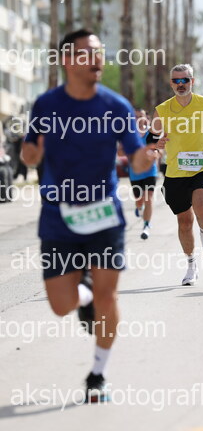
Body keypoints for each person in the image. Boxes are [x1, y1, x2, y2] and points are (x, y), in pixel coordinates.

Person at [21, 30, 158, 402]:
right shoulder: (47, 104)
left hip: (103, 215)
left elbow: (135, 153)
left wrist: (144, 158)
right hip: (58, 216)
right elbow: (29, 153)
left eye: (100, 52)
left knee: (107, 296)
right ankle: (83, 295)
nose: (97, 59)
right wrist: (32, 155)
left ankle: (98, 374)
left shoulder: (115, 105)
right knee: (61, 305)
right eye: (87, 53)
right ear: (67, 60)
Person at [148, 64, 203, 286]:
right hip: (175, 172)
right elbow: (150, 137)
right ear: (171, 83)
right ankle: (191, 265)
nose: (181, 84)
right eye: (176, 81)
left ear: (192, 81)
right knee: (184, 222)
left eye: (185, 80)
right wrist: (157, 143)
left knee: (202, 205)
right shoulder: (163, 109)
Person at [129, 108, 158, 239]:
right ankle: (139, 207)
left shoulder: (151, 133)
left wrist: (154, 154)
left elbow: (158, 150)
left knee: (148, 198)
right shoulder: (130, 134)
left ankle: (146, 225)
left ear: (146, 118)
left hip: (150, 172)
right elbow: (120, 152)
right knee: (139, 201)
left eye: (141, 116)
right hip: (135, 172)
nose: (138, 119)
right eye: (135, 116)